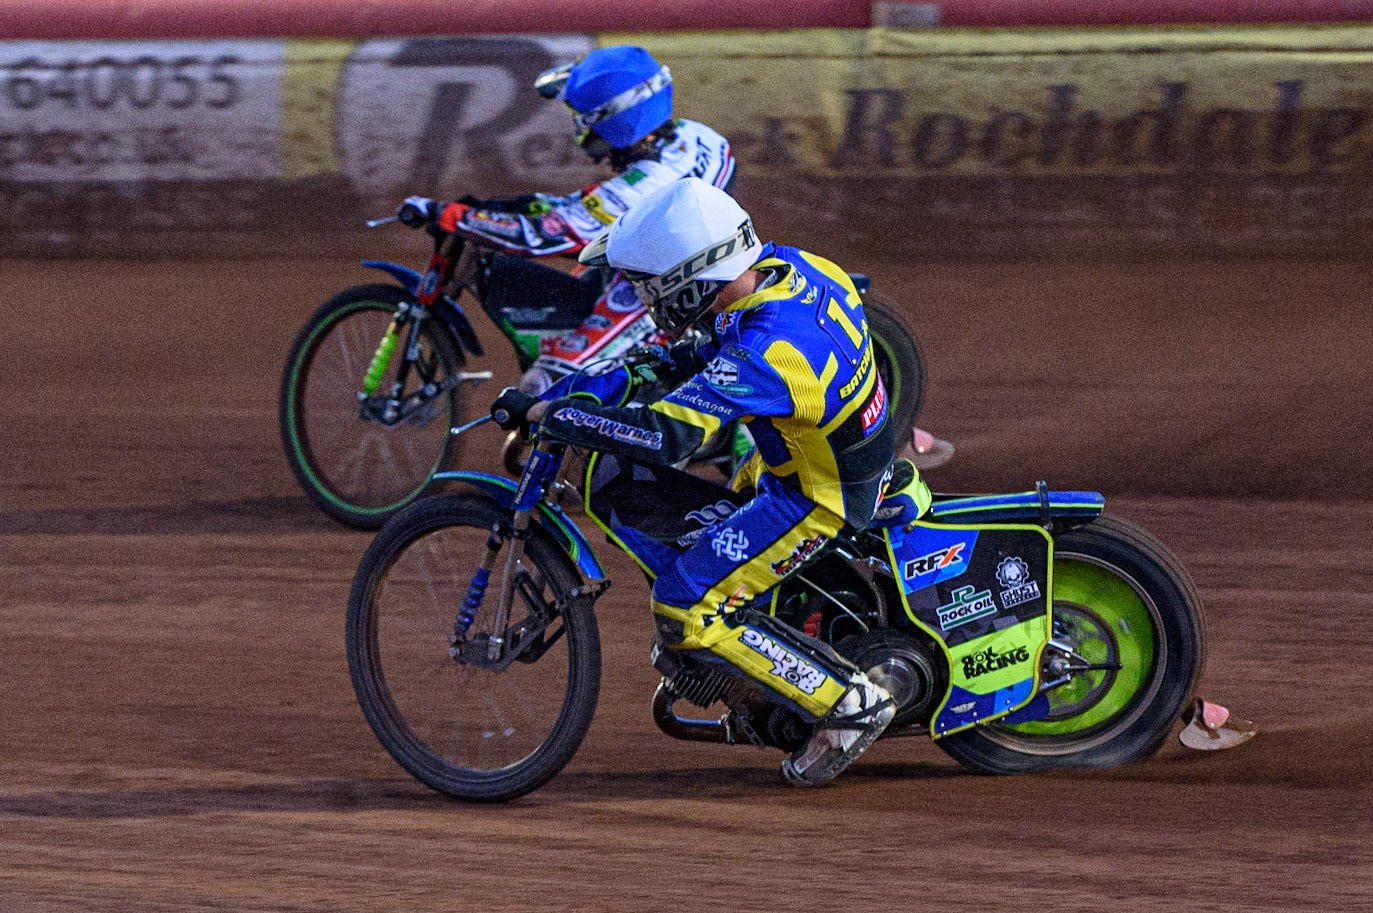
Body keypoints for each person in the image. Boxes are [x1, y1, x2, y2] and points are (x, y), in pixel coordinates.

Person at [490, 178, 899, 786]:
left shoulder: (768, 352)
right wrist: (623, 375)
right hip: (817, 452)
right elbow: (705, 351)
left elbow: (666, 437)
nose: (639, 297)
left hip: (818, 497)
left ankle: (849, 704)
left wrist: (555, 415)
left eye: (647, 285)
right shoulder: (796, 268)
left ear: (691, 278)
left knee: (684, 603)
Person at [395, 43, 735, 390]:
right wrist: (506, 206)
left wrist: (455, 217)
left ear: (616, 122)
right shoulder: (698, 137)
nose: (583, 133)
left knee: (542, 388)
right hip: (679, 270)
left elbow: (543, 236)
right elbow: (586, 209)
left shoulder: (643, 186)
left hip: (650, 293)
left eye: (587, 122)